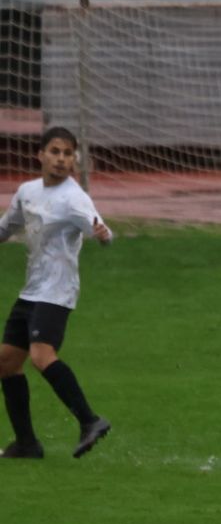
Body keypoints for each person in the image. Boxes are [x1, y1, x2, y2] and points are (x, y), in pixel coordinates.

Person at [0, 126, 114, 460]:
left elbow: (104, 233)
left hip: (58, 291)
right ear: (40, 154)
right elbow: (7, 227)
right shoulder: (27, 191)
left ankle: (90, 420)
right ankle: (27, 444)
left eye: (68, 154)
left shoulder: (74, 198)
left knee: (41, 355)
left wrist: (103, 235)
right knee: (6, 362)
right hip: (33, 290)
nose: (62, 159)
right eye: (55, 152)